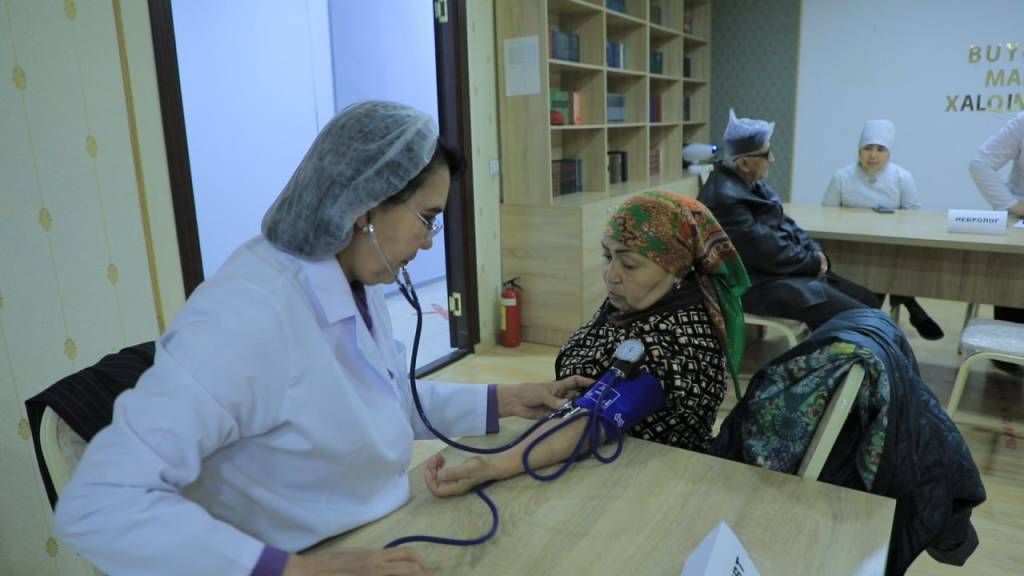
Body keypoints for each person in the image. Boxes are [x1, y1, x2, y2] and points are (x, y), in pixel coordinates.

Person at [53, 101, 591, 576]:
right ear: (366, 209)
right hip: (298, 558)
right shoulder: (244, 314)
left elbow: (382, 400)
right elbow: (101, 504)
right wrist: (299, 571)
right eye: (427, 219)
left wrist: (504, 399)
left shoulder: (354, 278)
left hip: (376, 531)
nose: (429, 242)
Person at [423, 193, 751, 497]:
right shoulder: (634, 304)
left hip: (650, 486)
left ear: (675, 269)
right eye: (607, 256)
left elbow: (595, 420)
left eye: (629, 264)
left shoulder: (680, 343)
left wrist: (494, 466)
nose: (610, 274)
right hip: (593, 463)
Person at [696, 109, 881, 331]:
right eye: (766, 154)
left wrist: (815, 253)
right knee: (863, 317)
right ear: (744, 164)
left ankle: (831, 346)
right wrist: (813, 263)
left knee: (868, 300)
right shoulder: (723, 199)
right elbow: (766, 251)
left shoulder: (750, 182)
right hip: (755, 284)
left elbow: (787, 224)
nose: (772, 159)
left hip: (778, 273)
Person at [822, 119, 943, 340]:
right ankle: (910, 304)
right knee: (882, 268)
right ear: (859, 150)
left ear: (889, 153)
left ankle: (870, 318)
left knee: (887, 262)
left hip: (889, 247)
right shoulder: (842, 176)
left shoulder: (902, 177)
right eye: (868, 148)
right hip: (850, 247)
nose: (873, 155)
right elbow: (826, 214)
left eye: (880, 149)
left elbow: (914, 214)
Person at [969, 111, 1024, 372]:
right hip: (1019, 223)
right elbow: (980, 163)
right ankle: (1006, 356)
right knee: (1013, 283)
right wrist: (1012, 204)